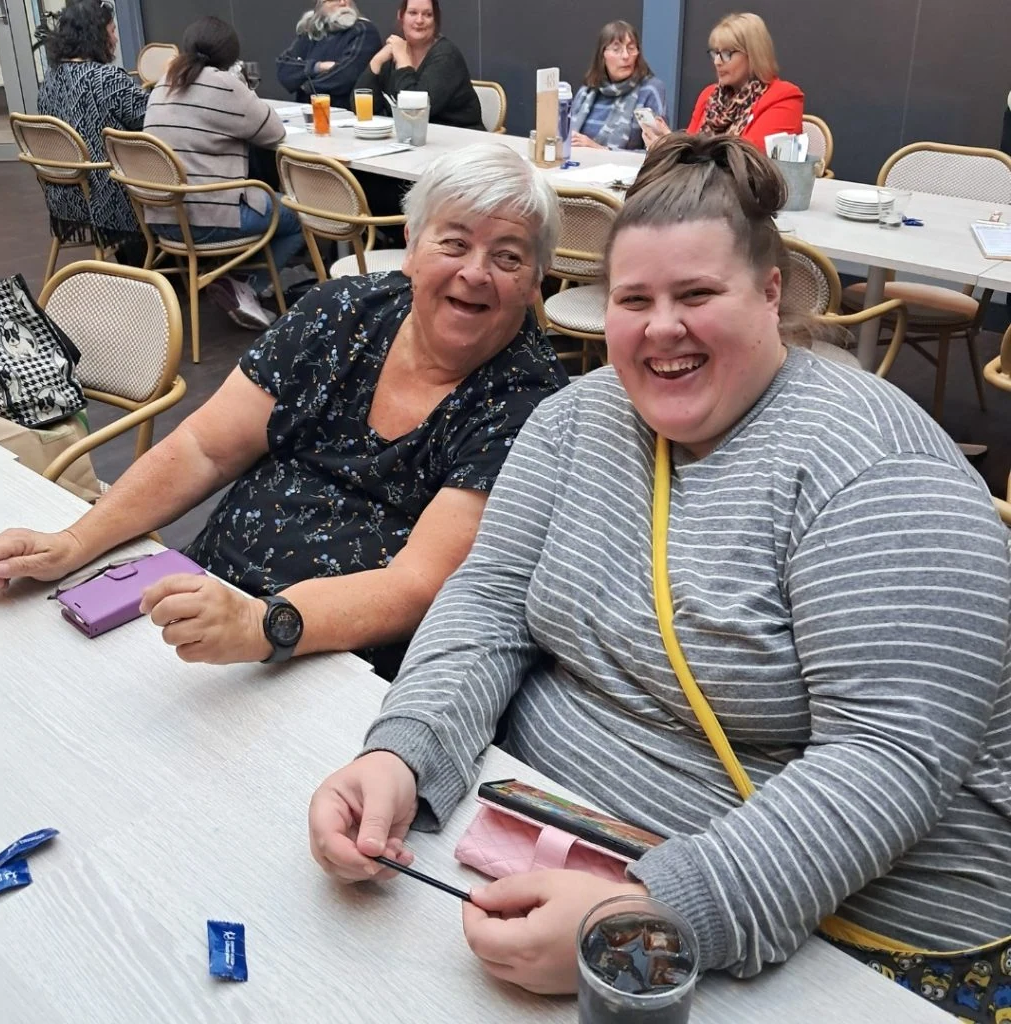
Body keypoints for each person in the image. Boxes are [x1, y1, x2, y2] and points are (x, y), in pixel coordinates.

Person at [306, 135, 1011, 1022]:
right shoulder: (571, 422)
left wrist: (651, 916)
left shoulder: (876, 469)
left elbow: (888, 756)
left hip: (830, 930)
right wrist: (401, 751)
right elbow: (488, 605)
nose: (660, 329)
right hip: (551, 855)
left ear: (770, 292)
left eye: (697, 295)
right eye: (633, 299)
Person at [0, 144, 568, 680]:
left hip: (330, 658)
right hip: (206, 597)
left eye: (508, 256)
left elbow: (417, 584)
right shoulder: (341, 314)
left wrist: (263, 624)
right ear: (414, 244)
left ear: (536, 281)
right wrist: (74, 541)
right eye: (455, 242)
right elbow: (204, 450)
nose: (475, 271)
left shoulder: (527, 402)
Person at [142, 17, 307, 330]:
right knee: (301, 213)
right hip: (208, 220)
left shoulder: (165, 82)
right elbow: (273, 131)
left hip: (163, 217)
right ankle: (246, 285)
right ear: (231, 54)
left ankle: (237, 280)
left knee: (268, 202)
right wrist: (243, 88)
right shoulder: (224, 85)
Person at [35, 0, 147, 252]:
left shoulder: (50, 82)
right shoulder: (107, 79)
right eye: (112, 31)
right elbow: (152, 119)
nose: (116, 39)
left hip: (66, 195)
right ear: (96, 36)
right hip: (109, 195)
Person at [642, 12, 803, 155]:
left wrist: (676, 149)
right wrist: (668, 150)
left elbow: (748, 159)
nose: (717, 62)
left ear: (753, 55)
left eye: (726, 54)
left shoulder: (784, 97)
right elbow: (691, 149)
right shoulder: (709, 95)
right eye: (715, 53)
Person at [354, 0, 483, 130]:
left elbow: (415, 112)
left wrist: (404, 63)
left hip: (461, 140)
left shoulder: (446, 56)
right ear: (401, 16)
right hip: (412, 141)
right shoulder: (394, 52)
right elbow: (359, 109)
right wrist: (377, 61)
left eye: (427, 14)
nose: (420, 20)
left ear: (435, 20)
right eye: (413, 13)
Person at [570, 20, 666, 152]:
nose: (626, 56)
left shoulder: (650, 89)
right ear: (602, 55)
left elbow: (658, 151)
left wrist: (601, 150)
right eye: (617, 50)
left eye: (631, 48)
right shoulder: (587, 90)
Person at [276, 0, 382, 108]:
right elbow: (284, 68)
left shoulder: (363, 30)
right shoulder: (314, 31)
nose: (343, 3)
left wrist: (305, 84)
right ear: (320, 6)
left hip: (345, 114)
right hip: (307, 112)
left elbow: (346, 76)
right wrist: (318, 67)